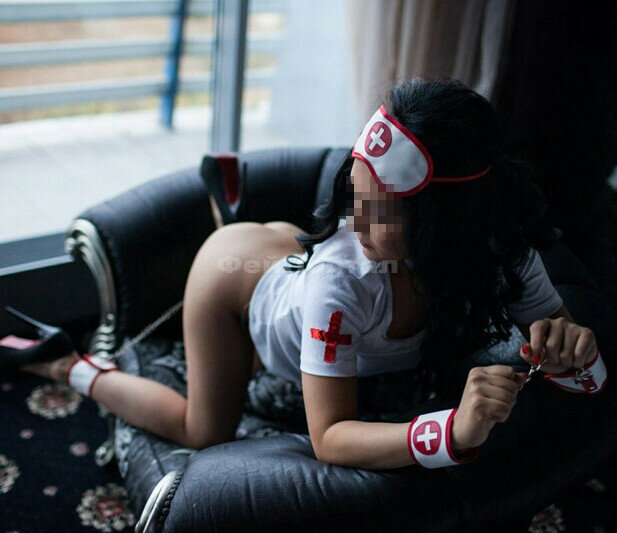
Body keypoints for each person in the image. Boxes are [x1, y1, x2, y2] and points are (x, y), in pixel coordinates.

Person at [7, 77, 606, 470]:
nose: (355, 216)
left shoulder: (503, 253)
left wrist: (573, 349)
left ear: (448, 224)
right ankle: (67, 361)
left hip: (290, 260)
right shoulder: (343, 283)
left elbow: (578, 362)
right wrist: (450, 432)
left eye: (380, 208)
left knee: (302, 259)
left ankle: (231, 203)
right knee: (203, 429)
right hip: (232, 287)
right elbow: (330, 437)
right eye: (353, 192)